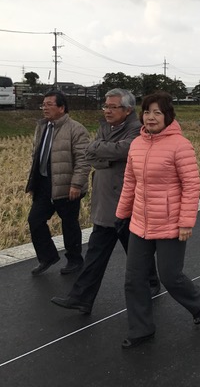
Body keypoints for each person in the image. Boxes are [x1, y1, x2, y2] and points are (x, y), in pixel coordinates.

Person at [50, 89, 160, 314]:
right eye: (105, 106)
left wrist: (103, 152)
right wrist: (108, 157)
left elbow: (125, 150)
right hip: (105, 200)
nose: (107, 111)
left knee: (136, 251)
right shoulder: (105, 127)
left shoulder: (137, 129)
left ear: (127, 110)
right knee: (96, 254)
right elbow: (91, 155)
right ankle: (81, 298)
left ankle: (151, 282)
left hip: (127, 202)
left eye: (112, 107)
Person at [116, 91, 200, 349]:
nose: (151, 117)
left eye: (157, 112)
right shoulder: (137, 144)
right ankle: (141, 329)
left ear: (168, 116)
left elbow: (191, 185)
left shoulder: (180, 145)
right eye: (147, 112)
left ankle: (196, 300)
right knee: (134, 279)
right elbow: (130, 182)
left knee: (170, 276)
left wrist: (186, 222)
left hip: (170, 223)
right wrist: (121, 214)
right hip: (140, 223)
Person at [25, 90, 90, 276]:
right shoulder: (42, 127)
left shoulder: (76, 129)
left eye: (49, 104)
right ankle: (47, 257)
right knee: (35, 220)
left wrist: (76, 184)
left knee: (69, 224)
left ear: (62, 108)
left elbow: (83, 159)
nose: (44, 108)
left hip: (67, 185)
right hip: (44, 184)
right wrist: (34, 182)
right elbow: (36, 156)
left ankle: (75, 260)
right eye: (43, 104)